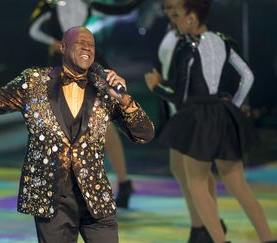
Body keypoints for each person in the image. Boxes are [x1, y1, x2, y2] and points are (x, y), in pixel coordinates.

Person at [0, 26, 154, 243]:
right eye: (80, 42)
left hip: (96, 199)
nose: (88, 47)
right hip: (51, 198)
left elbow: (144, 135)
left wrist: (125, 101)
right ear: (62, 47)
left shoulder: (105, 90)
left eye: (92, 44)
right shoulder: (34, 82)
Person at [145, 0, 276, 242]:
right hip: (223, 114)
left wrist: (155, 87)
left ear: (192, 17)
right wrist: (233, 108)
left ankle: (219, 240)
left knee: (197, 184)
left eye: (177, 15)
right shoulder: (223, 40)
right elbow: (248, 76)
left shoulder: (187, 50)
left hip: (197, 120)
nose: (174, 20)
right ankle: (268, 238)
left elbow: (181, 99)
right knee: (240, 187)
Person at [29, 0, 145, 208]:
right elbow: (33, 30)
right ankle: (68, 185)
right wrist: (53, 41)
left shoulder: (88, 3)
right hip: (62, 64)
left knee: (104, 121)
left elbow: (122, 9)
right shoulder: (50, 4)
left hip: (87, 63)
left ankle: (123, 181)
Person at [152, 0, 224, 242]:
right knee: (188, 172)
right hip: (178, 112)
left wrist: (158, 86)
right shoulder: (175, 34)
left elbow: (188, 82)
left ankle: (205, 227)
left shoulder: (189, 40)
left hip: (188, 114)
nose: (169, 10)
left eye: (174, 7)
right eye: (167, 7)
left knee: (195, 175)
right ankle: (204, 225)